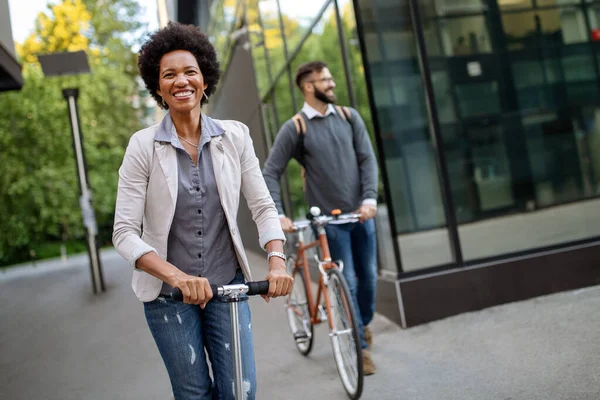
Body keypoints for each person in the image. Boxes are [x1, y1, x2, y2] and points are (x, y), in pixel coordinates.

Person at [112, 22, 292, 400]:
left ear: (204, 79)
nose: (181, 81)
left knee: (240, 390)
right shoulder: (142, 147)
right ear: (158, 87)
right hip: (167, 296)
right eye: (169, 74)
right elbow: (124, 233)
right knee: (192, 393)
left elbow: (262, 205)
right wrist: (176, 277)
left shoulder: (235, 136)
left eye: (190, 71)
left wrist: (276, 259)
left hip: (227, 286)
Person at [262, 61, 379, 375]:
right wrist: (279, 213)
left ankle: (362, 325)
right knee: (349, 283)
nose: (332, 84)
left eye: (331, 78)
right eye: (325, 80)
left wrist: (370, 198)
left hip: (361, 214)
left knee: (369, 279)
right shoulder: (296, 127)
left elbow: (367, 159)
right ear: (308, 86)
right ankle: (360, 349)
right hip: (327, 223)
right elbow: (271, 172)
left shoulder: (349, 116)